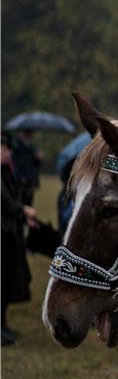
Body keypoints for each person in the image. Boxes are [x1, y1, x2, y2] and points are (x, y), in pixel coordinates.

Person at [1, 132, 35, 345]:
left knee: (7, 283)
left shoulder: (6, 173)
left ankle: (2, 324)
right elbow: (7, 204)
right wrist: (22, 209)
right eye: (3, 149)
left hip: (9, 234)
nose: (8, 152)